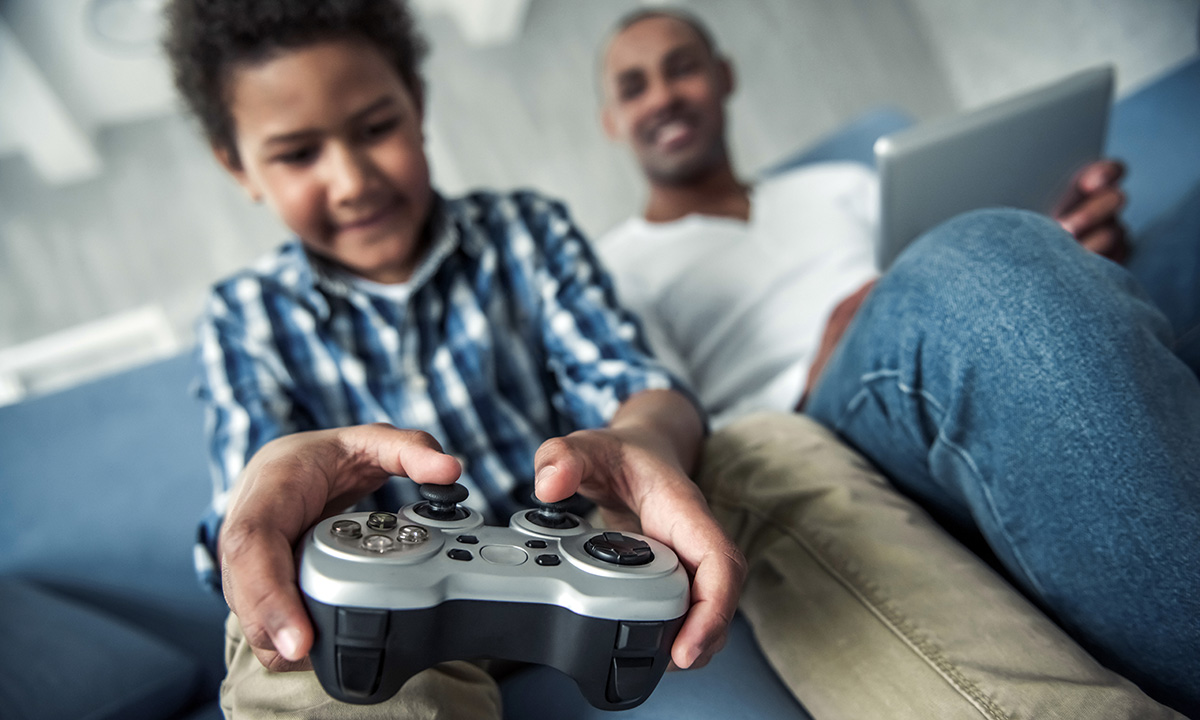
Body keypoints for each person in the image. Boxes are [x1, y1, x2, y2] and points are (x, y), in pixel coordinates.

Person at [595, 8, 1200, 716]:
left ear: (724, 76)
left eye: (683, 67)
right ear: (611, 120)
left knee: (1021, 255)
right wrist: (822, 363)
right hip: (809, 421)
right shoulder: (615, 267)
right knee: (975, 258)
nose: (662, 95)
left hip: (933, 342)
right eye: (634, 86)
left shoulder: (838, 184)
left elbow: (940, 294)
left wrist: (1063, 260)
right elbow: (668, 420)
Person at [163, 1, 747, 717]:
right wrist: (263, 504)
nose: (350, 180)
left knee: (765, 451)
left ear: (417, 104)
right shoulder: (244, 315)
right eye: (297, 154)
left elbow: (627, 378)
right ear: (239, 166)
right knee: (295, 636)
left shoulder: (525, 231)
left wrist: (642, 440)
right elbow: (249, 505)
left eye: (377, 129)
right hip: (379, 602)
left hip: (588, 553)